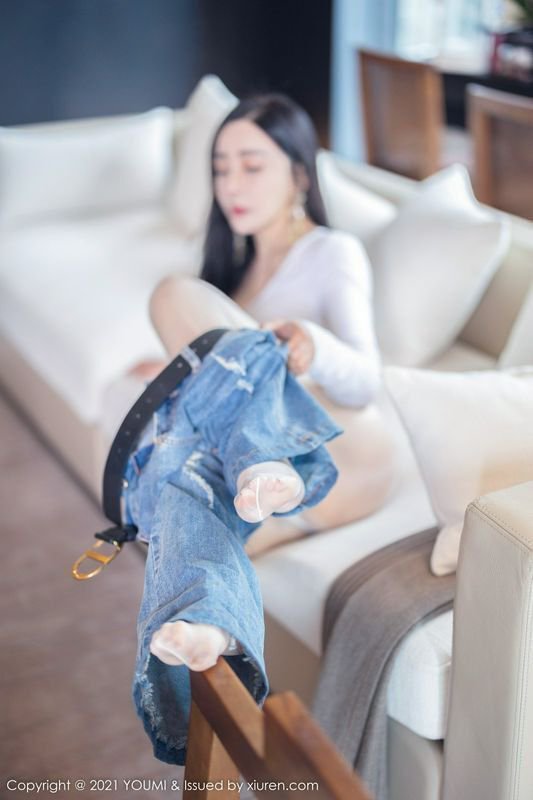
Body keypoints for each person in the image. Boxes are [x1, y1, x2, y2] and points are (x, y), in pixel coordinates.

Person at [121, 94, 396, 764]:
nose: (232, 186)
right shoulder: (236, 267)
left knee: (171, 294)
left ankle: (262, 459)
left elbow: (368, 379)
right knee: (179, 516)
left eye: (251, 165)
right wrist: (176, 370)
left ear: (299, 173)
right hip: (273, 486)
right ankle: (212, 631)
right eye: (220, 169)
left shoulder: (331, 252)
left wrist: (313, 346)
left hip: (345, 452)